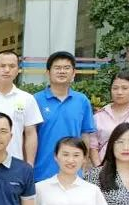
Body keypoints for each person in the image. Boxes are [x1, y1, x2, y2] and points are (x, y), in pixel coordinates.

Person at [32, 51, 97, 182]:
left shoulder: (82, 101)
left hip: (73, 172)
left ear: (73, 73)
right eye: (57, 68)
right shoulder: (35, 100)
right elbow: (29, 135)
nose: (62, 71)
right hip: (42, 172)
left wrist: (84, 161)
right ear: (48, 73)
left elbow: (85, 134)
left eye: (66, 68)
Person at [90, 70, 129, 165]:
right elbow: (93, 146)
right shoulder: (98, 117)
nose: (119, 92)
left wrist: (127, 167)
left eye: (124, 88)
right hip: (103, 168)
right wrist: (99, 169)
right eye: (115, 88)